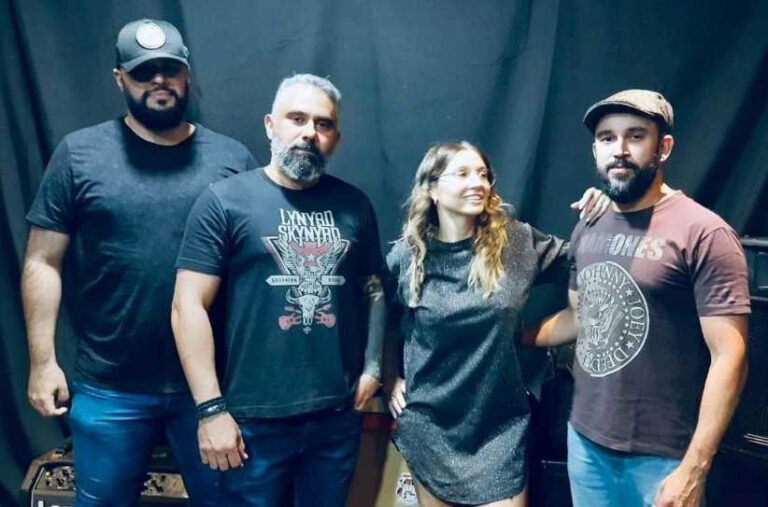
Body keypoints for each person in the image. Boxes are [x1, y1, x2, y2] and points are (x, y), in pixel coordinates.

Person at [22, 18, 255, 506]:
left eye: (170, 69)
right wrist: (43, 362)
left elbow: (256, 273)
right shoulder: (79, 154)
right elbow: (43, 260)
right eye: (144, 72)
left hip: (210, 388)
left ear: (187, 74)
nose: (159, 81)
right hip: (110, 385)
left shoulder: (232, 160)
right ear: (120, 79)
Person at [526, 89, 750, 507]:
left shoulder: (705, 233)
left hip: (665, 458)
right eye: (607, 138)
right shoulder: (589, 225)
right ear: (595, 150)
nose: (620, 150)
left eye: (635, 136)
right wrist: (510, 335)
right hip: (586, 442)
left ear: (663, 147)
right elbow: (582, 317)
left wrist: (694, 468)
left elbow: (730, 357)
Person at [171, 73, 386, 506]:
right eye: (297, 118)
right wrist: (210, 410)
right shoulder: (224, 201)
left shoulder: (354, 204)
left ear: (336, 138)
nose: (310, 132)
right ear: (271, 125)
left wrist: (374, 367)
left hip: (335, 416)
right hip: (251, 420)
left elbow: (375, 288)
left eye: (323, 124)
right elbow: (187, 306)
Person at [386, 141, 608, 506]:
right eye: (462, 173)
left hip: (499, 427)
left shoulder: (516, 242)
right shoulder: (408, 255)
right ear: (432, 189)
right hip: (431, 425)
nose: (478, 183)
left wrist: (606, 214)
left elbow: (588, 259)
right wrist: (392, 376)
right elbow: (385, 319)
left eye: (483, 174)